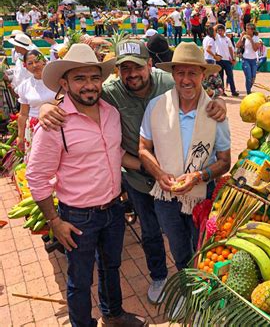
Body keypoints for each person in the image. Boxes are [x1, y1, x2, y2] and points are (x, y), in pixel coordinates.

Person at [39, 39, 227, 304]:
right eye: (124, 68)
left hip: (177, 179)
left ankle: (193, 281)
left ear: (149, 65)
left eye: (137, 67)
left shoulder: (167, 80)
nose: (132, 74)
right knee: (150, 232)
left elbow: (195, 86)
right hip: (138, 178)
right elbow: (76, 93)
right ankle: (159, 277)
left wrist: (219, 102)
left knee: (187, 231)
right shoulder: (110, 91)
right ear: (117, 70)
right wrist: (48, 107)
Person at [27, 44, 147, 327]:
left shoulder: (110, 112)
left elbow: (115, 153)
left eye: (94, 77)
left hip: (113, 209)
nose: (89, 85)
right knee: (80, 279)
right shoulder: (54, 123)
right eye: (80, 79)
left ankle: (113, 314)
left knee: (111, 267)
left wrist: (150, 166)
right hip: (78, 216)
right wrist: (54, 221)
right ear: (64, 83)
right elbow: (36, 176)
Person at [138, 42, 231, 273]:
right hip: (165, 197)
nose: (186, 80)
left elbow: (225, 160)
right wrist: (159, 174)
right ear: (173, 74)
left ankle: (199, 294)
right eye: (180, 73)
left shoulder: (214, 111)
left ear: (203, 75)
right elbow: (143, 148)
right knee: (179, 251)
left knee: (202, 250)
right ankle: (185, 286)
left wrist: (199, 176)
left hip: (202, 196)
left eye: (192, 73)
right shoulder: (156, 106)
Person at [16, 50, 56, 158]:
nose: (34, 65)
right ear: (25, 66)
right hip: (34, 127)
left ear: (44, 61)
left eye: (37, 61)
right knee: (36, 160)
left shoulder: (57, 80)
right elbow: (23, 114)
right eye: (30, 63)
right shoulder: (25, 86)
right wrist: (20, 136)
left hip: (56, 123)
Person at [236, 23, 261, 95]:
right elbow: (237, 45)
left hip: (253, 60)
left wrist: (251, 40)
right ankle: (248, 92)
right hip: (245, 59)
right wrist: (241, 37)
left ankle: (249, 88)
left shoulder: (256, 37)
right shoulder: (244, 37)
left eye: (251, 29)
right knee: (248, 76)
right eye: (247, 28)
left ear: (253, 30)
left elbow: (255, 49)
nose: (249, 30)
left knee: (253, 77)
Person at [215, 24, 238, 96]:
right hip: (219, 59)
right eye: (218, 30)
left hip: (227, 60)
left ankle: (233, 91)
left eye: (221, 30)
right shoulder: (216, 38)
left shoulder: (227, 39)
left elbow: (231, 49)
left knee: (230, 76)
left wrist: (233, 58)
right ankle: (222, 91)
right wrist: (218, 24)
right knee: (220, 76)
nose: (220, 32)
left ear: (224, 31)